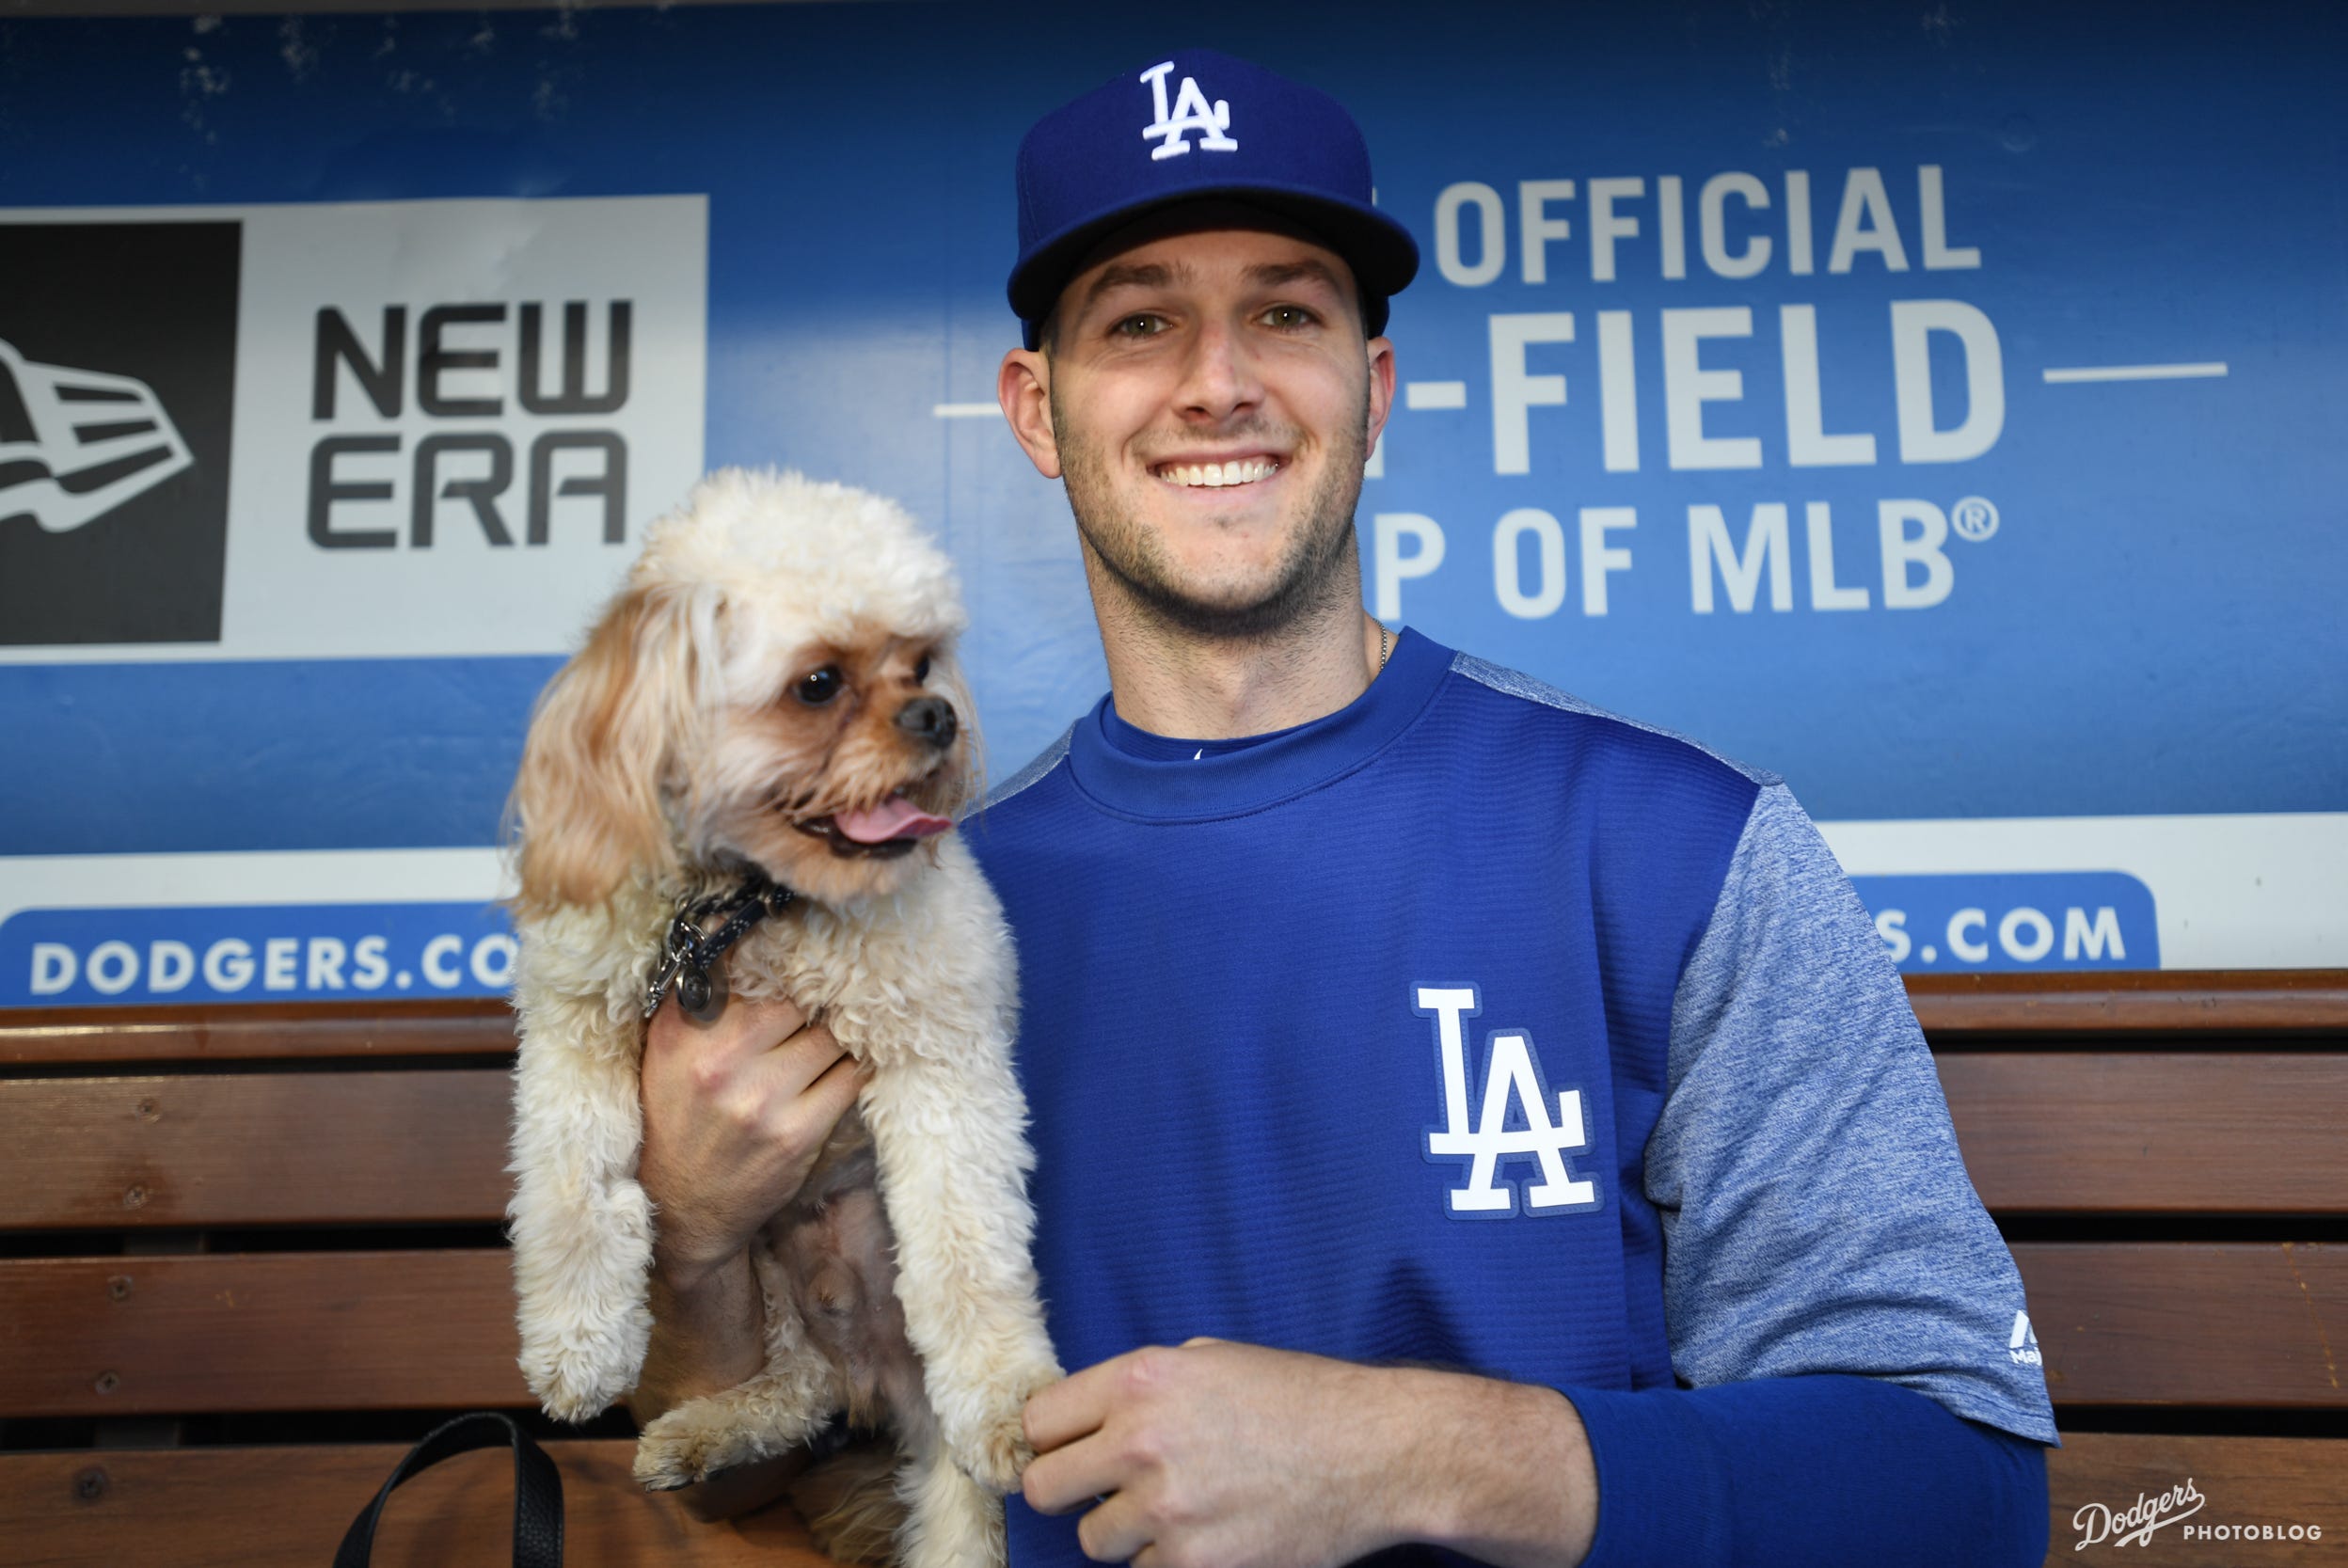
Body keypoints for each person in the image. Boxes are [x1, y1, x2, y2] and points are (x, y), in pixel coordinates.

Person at [627, 48, 2057, 1568]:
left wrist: (1409, 1452)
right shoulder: (908, 913)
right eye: (1141, 320)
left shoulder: (1672, 848)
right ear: (1037, 412)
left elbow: (1962, 1486)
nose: (1218, 381)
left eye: (1287, 312)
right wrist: (700, 1244)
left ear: (1369, 389)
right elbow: (752, 1486)